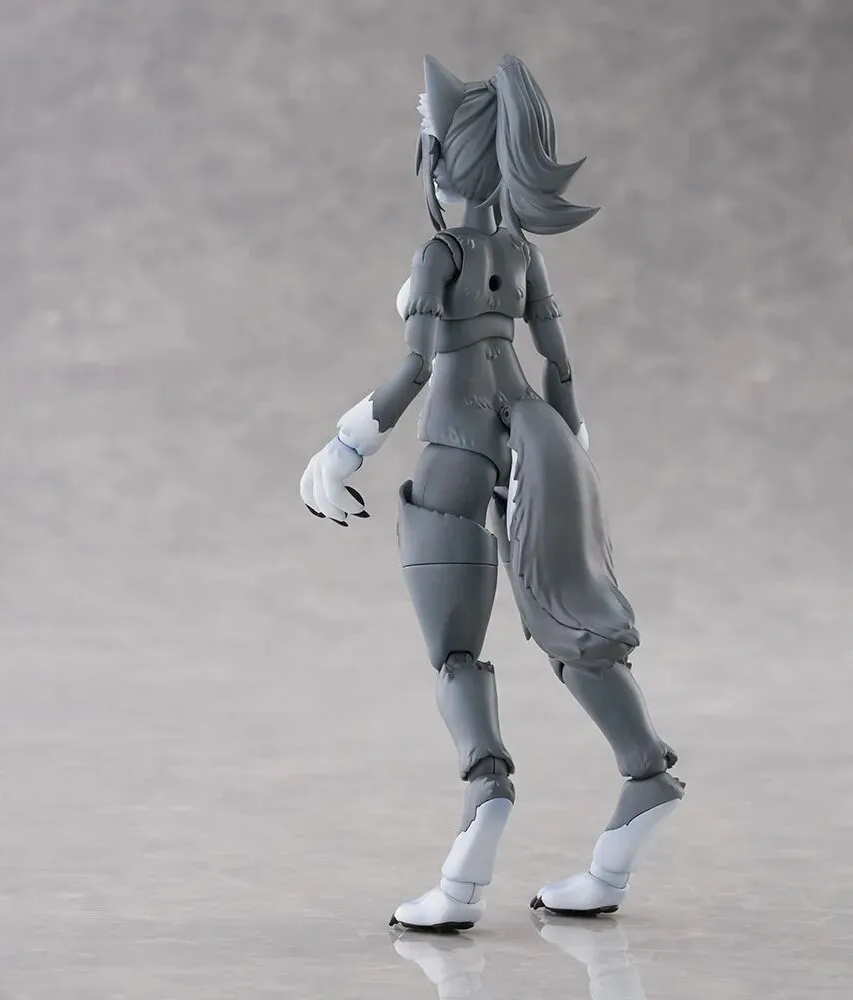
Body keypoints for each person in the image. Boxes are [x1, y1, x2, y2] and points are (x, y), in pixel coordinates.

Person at [300, 54, 685, 933]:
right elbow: (559, 361)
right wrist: (570, 447)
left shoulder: (439, 252)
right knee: (566, 613)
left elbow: (416, 367)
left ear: (439, 158)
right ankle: (643, 776)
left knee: (455, 654)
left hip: (456, 437)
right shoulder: (520, 250)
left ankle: (485, 797)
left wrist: (344, 445)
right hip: (532, 421)